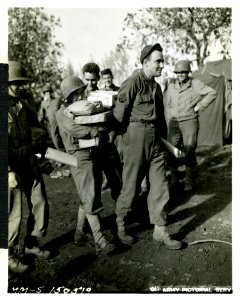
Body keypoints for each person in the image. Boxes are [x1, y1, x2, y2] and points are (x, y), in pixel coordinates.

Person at [111, 44, 182, 250]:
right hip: (135, 136)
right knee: (131, 185)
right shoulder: (133, 82)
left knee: (160, 185)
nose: (162, 65)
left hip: (156, 139)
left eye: (162, 60)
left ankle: (160, 230)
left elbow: (160, 117)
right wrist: (122, 141)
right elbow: (119, 115)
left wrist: (163, 140)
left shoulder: (157, 87)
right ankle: (121, 225)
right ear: (145, 63)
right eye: (158, 61)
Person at [56, 76, 122, 254]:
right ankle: (99, 238)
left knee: (88, 193)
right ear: (68, 96)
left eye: (81, 92)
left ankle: (79, 233)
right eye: (76, 93)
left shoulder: (84, 108)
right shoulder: (62, 113)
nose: (80, 96)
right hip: (78, 156)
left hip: (94, 152)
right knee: (90, 195)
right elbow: (74, 129)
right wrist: (95, 131)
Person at [8, 61, 51, 273]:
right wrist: (8, 171)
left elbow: (37, 131)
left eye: (22, 83)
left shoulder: (25, 105)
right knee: (13, 212)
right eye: (15, 83)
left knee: (40, 201)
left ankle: (31, 244)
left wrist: (42, 152)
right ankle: (7, 254)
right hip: (11, 167)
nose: (20, 87)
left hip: (29, 163)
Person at [164, 60, 217, 191]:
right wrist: (170, 118)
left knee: (189, 150)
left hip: (189, 121)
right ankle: (174, 179)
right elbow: (167, 104)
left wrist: (199, 106)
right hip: (174, 123)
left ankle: (189, 179)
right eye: (178, 72)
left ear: (188, 72)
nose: (181, 75)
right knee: (171, 150)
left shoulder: (195, 84)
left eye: (183, 72)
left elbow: (212, 93)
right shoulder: (171, 86)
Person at [38, 84, 63, 150]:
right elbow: (41, 115)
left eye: (49, 92)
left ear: (51, 92)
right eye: (46, 92)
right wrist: (40, 121)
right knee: (54, 135)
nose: (48, 93)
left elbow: (64, 107)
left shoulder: (57, 100)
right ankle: (60, 151)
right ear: (44, 94)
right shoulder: (43, 103)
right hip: (51, 121)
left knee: (64, 133)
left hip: (61, 119)